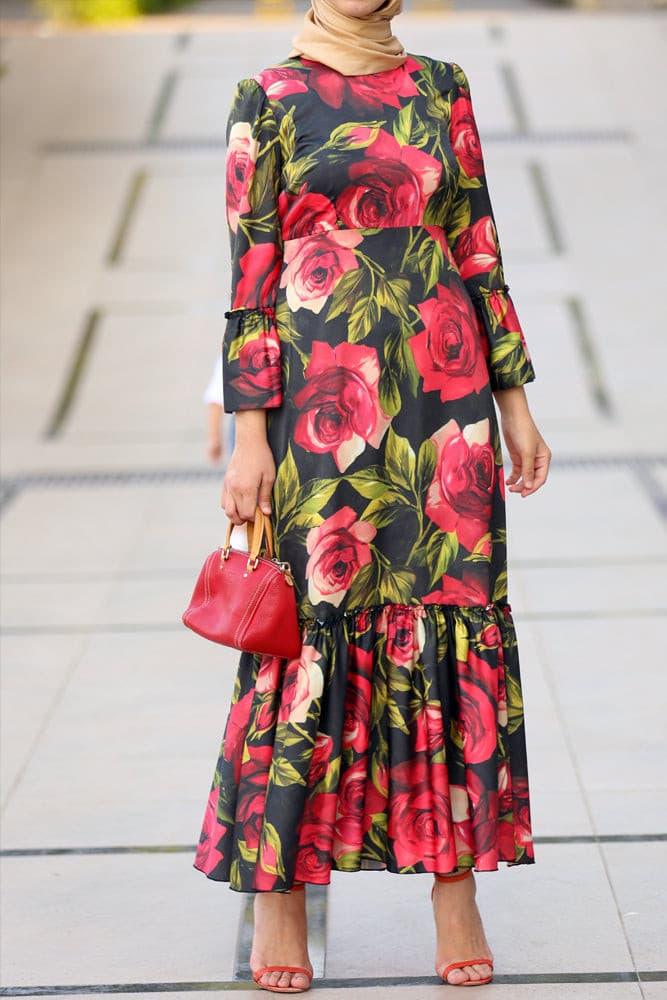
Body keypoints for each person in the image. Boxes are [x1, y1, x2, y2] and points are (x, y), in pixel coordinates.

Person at [193, 0, 552, 991]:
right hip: (317, 408)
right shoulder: (266, 98)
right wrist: (248, 436)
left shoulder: (442, 89)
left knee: (451, 618)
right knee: (309, 633)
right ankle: (278, 897)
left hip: (445, 406)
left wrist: (515, 401)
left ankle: (454, 887)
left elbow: (475, 243)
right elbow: (250, 278)